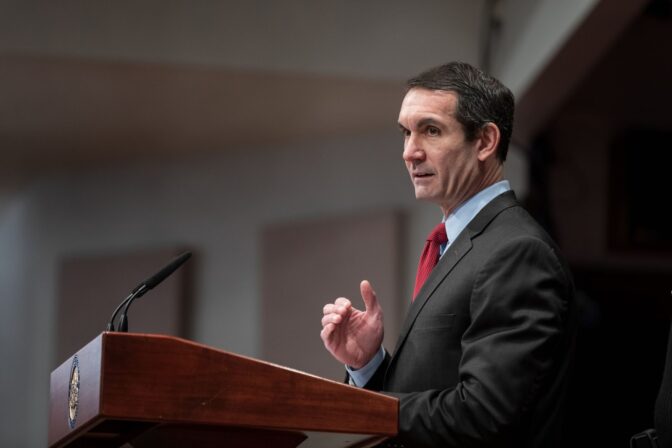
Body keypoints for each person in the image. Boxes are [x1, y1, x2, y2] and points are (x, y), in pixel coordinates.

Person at [320, 62, 577, 447]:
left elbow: (485, 412)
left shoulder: (517, 251)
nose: (410, 152)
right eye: (406, 133)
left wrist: (361, 409)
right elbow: (431, 389)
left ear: (485, 142)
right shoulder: (460, 243)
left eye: (431, 130)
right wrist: (369, 365)